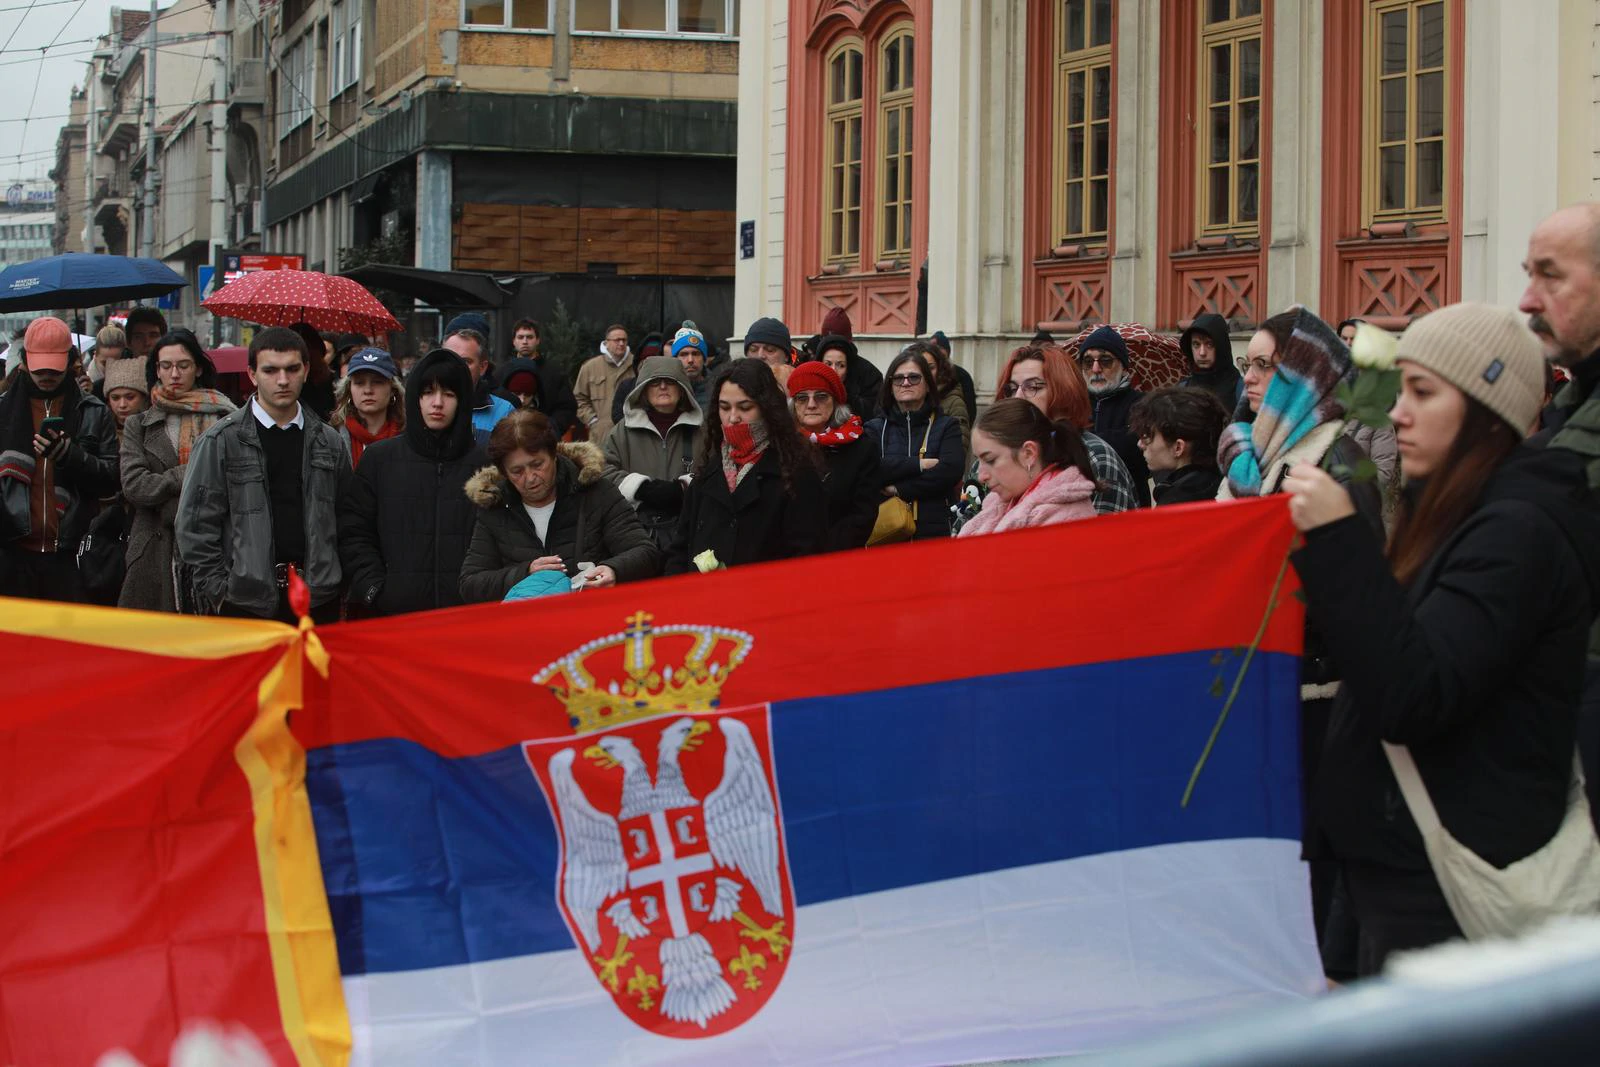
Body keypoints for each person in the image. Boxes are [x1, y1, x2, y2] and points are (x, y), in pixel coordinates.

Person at [1285, 302, 1600, 973]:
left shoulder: (1515, 532)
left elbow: (1413, 693)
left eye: (1423, 393)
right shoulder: (1459, 512)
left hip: (1449, 877)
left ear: (1488, 412)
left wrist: (1341, 540)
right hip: (1402, 868)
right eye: (1399, 390)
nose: (1398, 413)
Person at [1219, 305, 1384, 979]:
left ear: (1305, 375)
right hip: (1269, 684)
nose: (1250, 379)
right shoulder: (1262, 456)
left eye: (1265, 365)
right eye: (1248, 365)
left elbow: (1351, 585)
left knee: (1309, 866)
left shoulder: (1335, 463)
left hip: (1317, 693)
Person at [175, 326, 350, 624]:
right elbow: (194, 525)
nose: (283, 380)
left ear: (306, 370)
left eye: (292, 369)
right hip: (245, 602)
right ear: (253, 375)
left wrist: (337, 581)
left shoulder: (329, 441)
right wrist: (221, 591)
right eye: (271, 370)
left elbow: (346, 518)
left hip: (318, 601)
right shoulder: (221, 441)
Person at [339, 348, 487, 616]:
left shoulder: (486, 464)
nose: (437, 403)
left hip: (468, 616)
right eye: (428, 392)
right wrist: (374, 589)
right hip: (395, 618)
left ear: (463, 401)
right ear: (415, 398)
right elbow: (354, 533)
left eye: (449, 394)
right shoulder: (380, 459)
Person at [459, 409, 659, 601]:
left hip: (592, 622)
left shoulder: (596, 492)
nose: (530, 478)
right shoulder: (495, 506)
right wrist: (525, 573)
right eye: (517, 471)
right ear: (503, 472)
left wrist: (613, 570)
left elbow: (645, 552)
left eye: (538, 465)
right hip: (525, 627)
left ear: (554, 455)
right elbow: (470, 584)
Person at [665, 359, 826, 572]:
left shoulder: (796, 474)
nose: (733, 418)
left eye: (745, 407)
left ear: (767, 409)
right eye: (724, 408)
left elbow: (807, 558)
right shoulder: (708, 472)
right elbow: (680, 549)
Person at [0, 316, 118, 601]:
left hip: (72, 554)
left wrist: (71, 457)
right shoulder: (4, 409)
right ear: (25, 360)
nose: (46, 375)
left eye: (53, 367)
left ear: (70, 360)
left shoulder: (93, 411)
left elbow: (113, 480)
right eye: (39, 367)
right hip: (10, 552)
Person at [119, 330, 236, 612]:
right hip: (156, 549)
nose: (174, 374)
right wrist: (189, 474)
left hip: (217, 543)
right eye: (166, 366)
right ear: (156, 370)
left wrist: (171, 488)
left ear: (197, 368)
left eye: (183, 365)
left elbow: (232, 481)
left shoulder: (227, 416)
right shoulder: (140, 424)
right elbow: (135, 486)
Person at [994, 343, 1141, 514]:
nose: (1018, 397)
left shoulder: (1095, 457)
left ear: (1064, 391)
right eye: (1011, 389)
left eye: (1033, 387)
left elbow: (1106, 536)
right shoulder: (996, 454)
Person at [601, 355, 705, 552]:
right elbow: (602, 470)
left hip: (689, 532)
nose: (663, 387)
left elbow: (715, 470)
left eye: (670, 382)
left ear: (682, 390)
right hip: (634, 533)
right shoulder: (622, 430)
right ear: (643, 390)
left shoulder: (702, 431)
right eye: (655, 382)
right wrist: (641, 488)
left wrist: (684, 487)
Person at [866, 347, 965, 540]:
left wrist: (898, 489)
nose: (905, 383)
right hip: (886, 534)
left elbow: (949, 471)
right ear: (890, 386)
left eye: (914, 377)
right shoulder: (875, 428)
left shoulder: (946, 425)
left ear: (928, 384)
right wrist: (920, 464)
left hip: (934, 534)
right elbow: (870, 470)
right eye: (898, 378)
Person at [959, 398, 1097, 536]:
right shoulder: (1003, 503)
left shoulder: (1066, 520)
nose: (981, 476)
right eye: (979, 461)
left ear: (1029, 453)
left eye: (990, 460)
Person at [786, 360, 882, 551]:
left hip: (839, 557)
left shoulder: (861, 448)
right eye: (802, 398)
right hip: (787, 559)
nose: (811, 405)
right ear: (793, 404)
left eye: (821, 396)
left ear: (836, 401)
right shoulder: (783, 445)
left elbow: (862, 516)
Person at [1077, 325, 1150, 506]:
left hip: (1129, 504)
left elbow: (1137, 449)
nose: (1095, 369)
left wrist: (1082, 442)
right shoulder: (1074, 405)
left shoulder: (1142, 404)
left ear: (1123, 367)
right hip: (1082, 505)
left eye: (1105, 361)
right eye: (1088, 362)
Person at [1129, 386, 1230, 505]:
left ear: (1178, 447)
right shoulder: (1227, 482)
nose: (1140, 444)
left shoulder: (1176, 503)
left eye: (1147, 437)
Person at [332, 348, 404, 467]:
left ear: (392, 389)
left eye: (377, 382)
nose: (368, 390)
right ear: (349, 389)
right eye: (359, 383)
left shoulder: (409, 437)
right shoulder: (332, 438)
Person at [442, 327, 513, 448]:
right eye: (450, 359)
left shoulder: (504, 412)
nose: (457, 367)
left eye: (466, 361)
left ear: (482, 367)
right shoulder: (424, 407)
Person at [510, 317, 577, 434]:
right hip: (509, 436)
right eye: (520, 337)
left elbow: (567, 407)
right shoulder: (503, 373)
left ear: (538, 340)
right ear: (514, 341)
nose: (525, 341)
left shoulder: (555, 374)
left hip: (545, 438)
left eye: (529, 337)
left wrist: (550, 429)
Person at [815, 308, 883, 420]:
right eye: (828, 364)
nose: (833, 370)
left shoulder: (869, 373)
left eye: (840, 365)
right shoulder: (812, 370)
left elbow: (875, 412)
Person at [915, 339, 973, 459]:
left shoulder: (953, 402)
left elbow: (958, 451)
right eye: (919, 367)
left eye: (930, 368)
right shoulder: (902, 400)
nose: (925, 373)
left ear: (940, 370)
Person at [575, 324, 633, 442]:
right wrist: (592, 421)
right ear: (606, 343)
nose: (621, 343)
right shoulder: (590, 367)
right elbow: (579, 398)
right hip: (600, 437)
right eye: (617, 340)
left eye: (624, 340)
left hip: (631, 435)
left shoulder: (636, 365)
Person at [1178, 312, 1243, 411]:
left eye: (1209, 344)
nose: (1202, 353)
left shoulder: (1241, 389)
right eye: (1196, 344)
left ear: (1221, 346)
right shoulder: (1182, 389)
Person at [609, 332, 667, 428]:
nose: (650, 367)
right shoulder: (627, 386)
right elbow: (617, 415)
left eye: (654, 362)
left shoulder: (668, 386)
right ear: (639, 364)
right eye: (646, 362)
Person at [929, 330, 979, 428]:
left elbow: (970, 408)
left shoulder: (962, 375)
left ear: (947, 352)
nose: (936, 353)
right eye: (933, 349)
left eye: (939, 348)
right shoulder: (925, 373)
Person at [102, 358, 149, 438]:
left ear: (143, 397)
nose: (122, 405)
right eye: (115, 398)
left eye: (130, 397)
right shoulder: (101, 432)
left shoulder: (159, 431)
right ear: (109, 400)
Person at [743, 317, 795, 389]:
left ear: (786, 356)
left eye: (770, 350)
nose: (760, 355)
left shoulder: (802, 391)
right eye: (753, 349)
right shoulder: (732, 386)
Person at [670, 325, 713, 410]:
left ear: (704, 359)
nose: (690, 360)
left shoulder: (717, 390)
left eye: (695, 354)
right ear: (675, 359)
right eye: (684, 354)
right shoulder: (666, 389)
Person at [85, 323, 127, 400]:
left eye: (115, 363)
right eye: (105, 363)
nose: (110, 369)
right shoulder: (83, 385)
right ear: (95, 356)